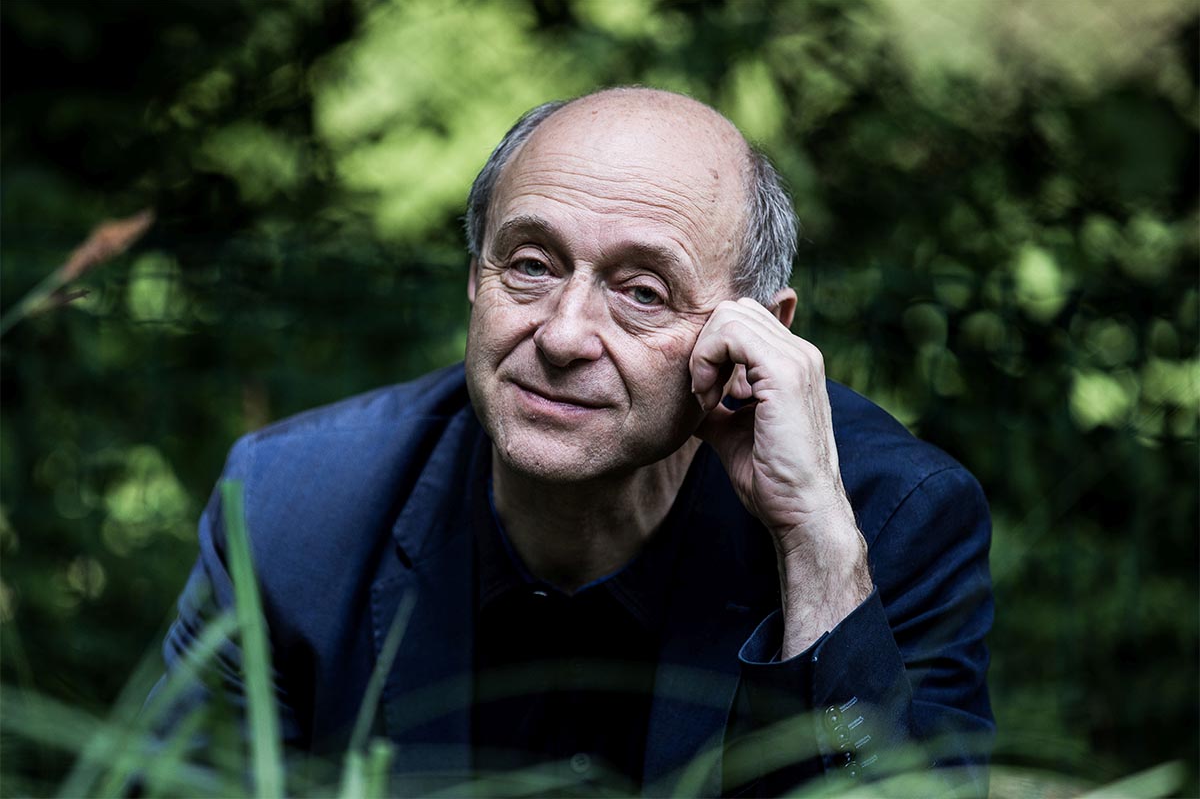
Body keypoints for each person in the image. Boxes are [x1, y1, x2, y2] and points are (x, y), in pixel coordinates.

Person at [160, 87, 993, 797]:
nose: (563, 335)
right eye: (530, 265)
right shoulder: (293, 503)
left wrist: (815, 547)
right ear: (473, 278)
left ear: (757, 335)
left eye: (641, 290)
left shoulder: (887, 521)